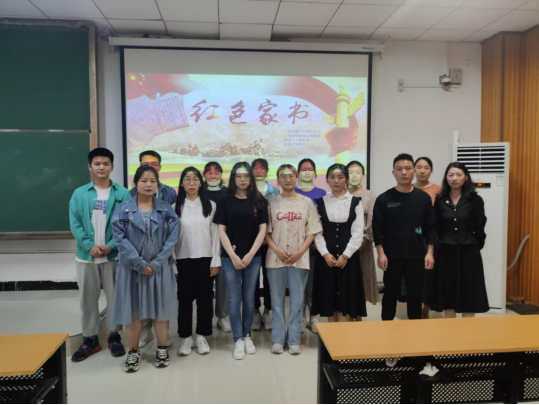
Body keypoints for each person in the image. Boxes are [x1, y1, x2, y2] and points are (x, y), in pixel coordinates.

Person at [112, 166, 180, 373]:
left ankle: (162, 348)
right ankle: (133, 351)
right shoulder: (123, 209)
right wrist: (140, 264)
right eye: (143, 180)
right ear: (135, 183)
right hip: (131, 270)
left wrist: (157, 263)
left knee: (161, 310)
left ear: (158, 184)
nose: (148, 184)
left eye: (152, 181)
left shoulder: (166, 210)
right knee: (133, 311)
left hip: (159, 269)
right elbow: (120, 240)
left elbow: (172, 238)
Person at [69, 148, 130, 363]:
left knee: (115, 299)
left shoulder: (123, 194)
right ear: (90, 167)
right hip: (86, 257)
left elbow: (126, 223)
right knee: (87, 301)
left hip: (114, 257)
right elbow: (75, 223)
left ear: (112, 167)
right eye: (97, 164)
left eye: (105, 164)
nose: (101, 167)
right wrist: (89, 246)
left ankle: (114, 336)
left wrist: (111, 245)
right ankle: (90, 339)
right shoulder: (79, 194)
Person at [214, 162, 269, 360]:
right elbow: (221, 230)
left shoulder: (259, 200)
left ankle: (247, 335)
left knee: (249, 298)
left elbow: (263, 230)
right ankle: (237, 338)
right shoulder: (225, 201)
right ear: (233, 178)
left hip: (253, 258)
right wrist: (233, 255)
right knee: (234, 299)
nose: (243, 179)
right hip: (231, 258)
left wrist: (250, 254)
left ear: (251, 178)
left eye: (246, 175)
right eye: (239, 176)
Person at [266, 165, 323, 355]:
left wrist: (300, 251)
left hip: (300, 259)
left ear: (296, 177)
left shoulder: (306, 203)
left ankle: (294, 340)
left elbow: (312, 231)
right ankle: (277, 339)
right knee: (276, 301)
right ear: (278, 180)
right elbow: (265, 232)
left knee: (297, 301)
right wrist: (277, 250)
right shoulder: (271, 202)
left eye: (291, 176)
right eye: (283, 176)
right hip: (275, 259)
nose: (288, 179)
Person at [373, 154, 436, 322]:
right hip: (391, 256)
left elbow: (431, 227)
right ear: (393, 172)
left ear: (414, 171)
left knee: (415, 295)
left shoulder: (423, 198)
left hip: (417, 255)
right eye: (399, 169)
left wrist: (430, 252)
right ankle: (387, 329)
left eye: (408, 168)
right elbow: (377, 228)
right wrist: (380, 253)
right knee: (390, 294)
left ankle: (414, 331)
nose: (404, 172)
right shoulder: (384, 199)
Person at [428, 162, 489, 318]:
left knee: (470, 290)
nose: (454, 178)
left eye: (458, 175)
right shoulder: (440, 200)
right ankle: (451, 327)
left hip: (469, 253)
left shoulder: (475, 200)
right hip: (446, 252)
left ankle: (467, 329)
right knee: (448, 290)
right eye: (450, 175)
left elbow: (480, 226)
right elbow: (435, 227)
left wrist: (475, 246)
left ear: (466, 177)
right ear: (446, 178)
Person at [130, 150, 177, 348]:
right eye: (145, 164)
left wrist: (161, 258)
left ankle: (162, 340)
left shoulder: (170, 193)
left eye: (154, 164)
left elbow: (172, 226)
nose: (150, 168)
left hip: (162, 255)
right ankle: (145, 329)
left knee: (161, 298)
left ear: (160, 167)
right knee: (140, 297)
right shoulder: (130, 196)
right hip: (138, 257)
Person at [174, 167, 221, 357]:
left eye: (195, 179)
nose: (191, 183)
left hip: (205, 258)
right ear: (182, 183)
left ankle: (202, 335)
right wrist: (173, 264)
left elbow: (216, 235)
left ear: (201, 183)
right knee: (184, 300)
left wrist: (215, 260)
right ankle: (186, 337)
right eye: (187, 179)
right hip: (182, 259)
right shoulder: (174, 207)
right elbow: (170, 239)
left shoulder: (210, 206)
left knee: (205, 299)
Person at [313, 164, 367, 323]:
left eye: (340, 177)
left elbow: (358, 232)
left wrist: (345, 255)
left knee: (347, 298)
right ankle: (332, 335)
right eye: (332, 177)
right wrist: (325, 253)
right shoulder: (320, 202)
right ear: (327, 180)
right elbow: (317, 232)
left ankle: (345, 336)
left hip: (348, 258)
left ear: (346, 179)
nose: (336, 181)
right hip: (326, 257)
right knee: (329, 298)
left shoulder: (355, 202)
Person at [295, 158, 327, 334]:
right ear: (298, 173)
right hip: (297, 249)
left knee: (314, 284)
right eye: (303, 169)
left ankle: (313, 316)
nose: (307, 172)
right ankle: (300, 317)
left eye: (310, 169)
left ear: (315, 173)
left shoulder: (322, 193)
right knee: (299, 284)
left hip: (316, 247)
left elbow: (324, 221)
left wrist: (316, 241)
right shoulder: (292, 192)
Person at [203, 162, 231, 334]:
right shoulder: (199, 191)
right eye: (209, 172)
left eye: (216, 172)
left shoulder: (229, 192)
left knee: (223, 283)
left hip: (225, 242)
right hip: (204, 243)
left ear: (221, 174)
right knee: (205, 284)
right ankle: (205, 317)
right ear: (204, 175)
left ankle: (222, 316)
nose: (213, 175)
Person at [252, 158, 279, 331]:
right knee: (252, 278)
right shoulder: (246, 190)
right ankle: (255, 312)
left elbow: (277, 217)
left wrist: (267, 236)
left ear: (267, 171)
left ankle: (268, 312)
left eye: (262, 168)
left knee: (270, 279)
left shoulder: (275, 191)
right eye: (255, 168)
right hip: (251, 242)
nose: (259, 171)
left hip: (271, 241)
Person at [347, 161, 379, 306]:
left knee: (362, 285)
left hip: (362, 246)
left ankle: (359, 315)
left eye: (358, 172)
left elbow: (372, 221)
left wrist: (363, 240)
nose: (354, 176)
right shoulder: (341, 194)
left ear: (363, 175)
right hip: (342, 245)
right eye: (350, 172)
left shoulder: (370, 196)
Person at [414, 157, 442, 319]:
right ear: (414, 170)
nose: (422, 171)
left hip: (432, 236)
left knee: (430, 274)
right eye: (419, 167)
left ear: (431, 170)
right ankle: (416, 306)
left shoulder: (438, 190)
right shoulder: (408, 188)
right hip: (413, 237)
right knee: (415, 273)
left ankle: (427, 307)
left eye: (426, 167)